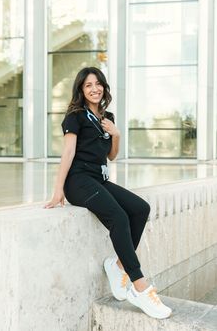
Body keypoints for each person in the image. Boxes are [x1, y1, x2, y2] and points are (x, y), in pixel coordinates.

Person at [45, 67, 172, 319]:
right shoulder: (75, 116)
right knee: (119, 216)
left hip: (99, 180)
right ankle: (139, 286)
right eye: (88, 85)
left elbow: (111, 155)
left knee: (140, 208)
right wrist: (58, 190)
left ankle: (118, 265)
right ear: (81, 90)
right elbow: (68, 152)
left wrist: (116, 134)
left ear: (104, 87)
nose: (94, 88)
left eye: (98, 84)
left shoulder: (107, 117)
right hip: (79, 181)